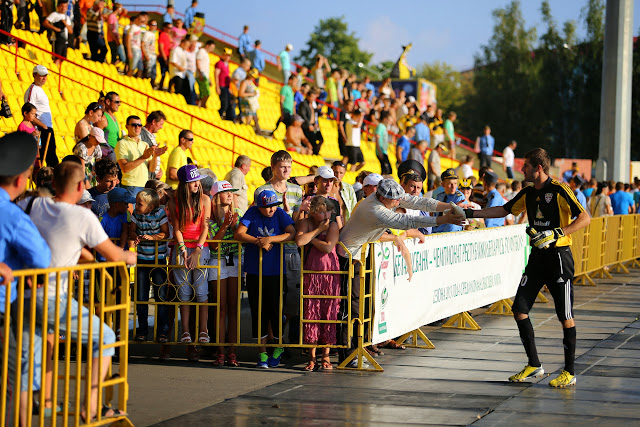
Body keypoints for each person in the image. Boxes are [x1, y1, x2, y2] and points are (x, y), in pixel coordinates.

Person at [465, 148, 590, 388]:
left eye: (526, 166)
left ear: (538, 168)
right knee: (519, 308)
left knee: (565, 316)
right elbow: (503, 210)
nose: (522, 170)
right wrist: (471, 212)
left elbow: (585, 218)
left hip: (559, 258)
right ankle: (534, 365)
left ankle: (569, 372)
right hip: (537, 258)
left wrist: (557, 233)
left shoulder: (559, 189)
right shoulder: (528, 192)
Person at [22, 161, 135, 421]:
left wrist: (81, 254)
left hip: (22, 294)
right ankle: (91, 406)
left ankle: (45, 400)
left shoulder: (32, 205)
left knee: (44, 344)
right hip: (50, 296)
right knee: (105, 337)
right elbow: (114, 254)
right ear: (80, 186)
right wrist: (132, 256)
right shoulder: (81, 216)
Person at [337, 179, 465, 366]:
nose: (398, 202)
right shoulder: (374, 209)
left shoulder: (384, 198)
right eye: (395, 200)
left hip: (359, 255)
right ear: (382, 197)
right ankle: (349, 354)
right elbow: (406, 221)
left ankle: (361, 346)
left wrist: (449, 206)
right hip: (348, 258)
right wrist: (443, 219)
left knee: (365, 305)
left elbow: (418, 202)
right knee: (352, 307)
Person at [0, 132, 52, 427]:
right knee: (10, 384)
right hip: (4, 310)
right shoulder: (12, 214)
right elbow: (41, 259)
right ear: (21, 180)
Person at [234, 189, 296, 368]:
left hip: (276, 271)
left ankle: (278, 347)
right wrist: (257, 241)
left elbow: (291, 232)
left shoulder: (280, 213)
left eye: (274, 206)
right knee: (258, 311)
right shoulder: (252, 212)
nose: (272, 210)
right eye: (267, 207)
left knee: (276, 311)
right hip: (255, 271)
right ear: (259, 206)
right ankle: (261, 352)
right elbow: (239, 233)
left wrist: (271, 239)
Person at [296, 196, 341, 371]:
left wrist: (311, 239)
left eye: (328, 211)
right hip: (311, 274)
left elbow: (328, 247)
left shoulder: (333, 225)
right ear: (314, 212)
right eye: (322, 211)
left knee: (329, 314)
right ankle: (312, 357)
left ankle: (326, 356)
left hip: (330, 274)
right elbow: (299, 241)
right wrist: (316, 232)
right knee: (311, 314)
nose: (326, 214)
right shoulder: (307, 223)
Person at [170, 165, 211, 348]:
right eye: (192, 181)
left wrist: (197, 250)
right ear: (184, 184)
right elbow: (177, 228)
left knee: (202, 293)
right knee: (184, 293)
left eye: (197, 180)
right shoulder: (175, 202)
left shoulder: (205, 199)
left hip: (201, 248)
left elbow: (205, 227)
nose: (196, 184)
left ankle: (203, 330)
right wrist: (183, 249)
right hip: (183, 247)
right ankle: (185, 330)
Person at [207, 181, 241, 367]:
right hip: (217, 262)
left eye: (231, 192)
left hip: (235, 261)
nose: (230, 195)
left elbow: (242, 235)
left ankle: (233, 352)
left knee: (233, 309)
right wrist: (226, 226)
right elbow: (213, 244)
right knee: (221, 309)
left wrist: (234, 225)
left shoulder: (238, 214)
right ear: (216, 196)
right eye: (225, 192)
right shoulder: (210, 218)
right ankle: (220, 352)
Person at [130, 188, 170, 342]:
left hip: (158, 260)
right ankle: (142, 331)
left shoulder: (160, 214)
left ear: (150, 207)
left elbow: (165, 233)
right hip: (142, 258)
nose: (136, 206)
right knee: (141, 296)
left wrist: (153, 237)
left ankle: (162, 332)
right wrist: (136, 237)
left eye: (139, 204)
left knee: (160, 295)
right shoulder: (135, 214)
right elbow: (131, 231)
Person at [115, 115, 167, 198]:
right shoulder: (122, 143)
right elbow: (125, 168)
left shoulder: (144, 144)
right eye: (134, 125)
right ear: (126, 126)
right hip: (130, 185)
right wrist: (144, 157)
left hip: (144, 186)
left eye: (139, 125)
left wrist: (155, 156)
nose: (137, 127)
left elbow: (151, 169)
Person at [25, 65, 59, 167]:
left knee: (51, 158)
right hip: (41, 128)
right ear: (34, 75)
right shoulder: (33, 89)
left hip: (46, 128)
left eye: (45, 75)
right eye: (41, 75)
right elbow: (29, 110)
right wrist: (43, 126)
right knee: (47, 159)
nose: (44, 78)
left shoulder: (39, 89)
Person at [432, 169, 465, 234]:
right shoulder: (440, 196)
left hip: (450, 233)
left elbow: (454, 223)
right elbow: (435, 216)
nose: (453, 187)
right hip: (436, 231)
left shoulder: (459, 197)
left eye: (455, 183)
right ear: (443, 184)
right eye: (450, 184)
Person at [42, 0, 73, 68]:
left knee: (62, 59)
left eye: (65, 6)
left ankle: (58, 72)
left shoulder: (67, 17)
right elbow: (45, 22)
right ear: (58, 6)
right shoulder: (54, 14)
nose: (63, 8)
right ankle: (54, 70)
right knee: (57, 58)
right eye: (62, 6)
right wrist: (54, 28)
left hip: (65, 40)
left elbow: (70, 31)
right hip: (57, 39)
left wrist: (65, 23)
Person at [139, 110, 167, 179]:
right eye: (160, 124)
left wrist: (158, 170)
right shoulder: (141, 135)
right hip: (145, 178)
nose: (161, 127)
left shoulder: (152, 136)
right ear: (154, 122)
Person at [298, 87, 323, 155]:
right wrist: (309, 124)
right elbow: (303, 115)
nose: (313, 99)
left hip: (312, 125)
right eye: (312, 97)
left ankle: (315, 153)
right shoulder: (304, 104)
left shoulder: (312, 105)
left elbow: (313, 115)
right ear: (308, 96)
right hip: (306, 126)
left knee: (320, 139)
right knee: (310, 142)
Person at [126, 12, 148, 77]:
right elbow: (128, 39)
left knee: (140, 67)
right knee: (133, 67)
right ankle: (127, 79)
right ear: (137, 19)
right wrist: (129, 51)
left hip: (138, 48)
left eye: (144, 21)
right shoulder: (133, 27)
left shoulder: (139, 28)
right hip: (133, 48)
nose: (143, 23)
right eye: (142, 21)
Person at [169, 37, 190, 103]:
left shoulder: (182, 51)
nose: (187, 47)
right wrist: (180, 67)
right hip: (176, 72)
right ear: (182, 43)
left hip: (181, 73)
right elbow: (172, 61)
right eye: (186, 45)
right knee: (178, 89)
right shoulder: (176, 50)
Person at [215, 48, 234, 121]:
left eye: (229, 56)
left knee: (228, 104)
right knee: (224, 103)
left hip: (226, 87)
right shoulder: (219, 63)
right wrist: (217, 87)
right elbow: (216, 75)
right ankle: (219, 115)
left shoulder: (227, 64)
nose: (227, 57)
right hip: (221, 86)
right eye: (226, 55)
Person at [196, 40, 215, 108]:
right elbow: (198, 61)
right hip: (202, 75)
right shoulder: (202, 51)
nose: (212, 49)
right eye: (211, 47)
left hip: (205, 75)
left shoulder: (206, 54)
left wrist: (209, 79)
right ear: (207, 45)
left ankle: (200, 105)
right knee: (206, 93)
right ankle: (201, 105)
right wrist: (200, 73)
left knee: (204, 93)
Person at [156, 21, 173, 90]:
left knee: (170, 74)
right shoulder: (162, 35)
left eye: (171, 28)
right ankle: (160, 87)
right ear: (165, 28)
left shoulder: (168, 36)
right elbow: (161, 48)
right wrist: (165, 58)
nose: (170, 29)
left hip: (168, 56)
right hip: (163, 57)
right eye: (169, 28)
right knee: (163, 73)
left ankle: (168, 88)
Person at [141, 20, 159, 86]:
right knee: (148, 71)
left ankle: (151, 86)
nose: (154, 26)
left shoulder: (154, 34)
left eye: (155, 25)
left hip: (153, 54)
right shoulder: (147, 33)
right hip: (148, 54)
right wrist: (146, 55)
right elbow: (142, 44)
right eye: (153, 24)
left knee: (153, 72)